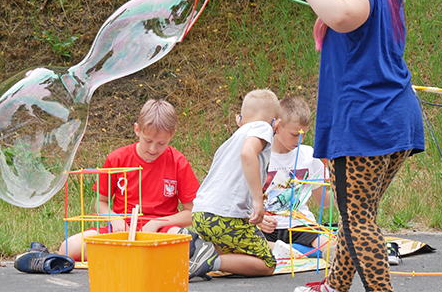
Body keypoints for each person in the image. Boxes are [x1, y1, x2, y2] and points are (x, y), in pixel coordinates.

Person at [265, 0, 425, 292]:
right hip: (390, 120)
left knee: (356, 217)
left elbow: (340, 15)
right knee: (359, 214)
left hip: (366, 123)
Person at [57, 99, 199, 261]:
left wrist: (158, 223)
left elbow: (192, 213)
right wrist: (114, 218)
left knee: (186, 247)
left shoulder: (178, 162)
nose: (153, 149)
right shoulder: (117, 158)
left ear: (172, 134)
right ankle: (132, 256)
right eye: (148, 141)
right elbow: (100, 202)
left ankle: (129, 257)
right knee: (68, 248)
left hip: (161, 232)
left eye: (161, 143)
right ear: (137, 130)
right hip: (120, 231)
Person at [188, 89, 280, 280]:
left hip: (201, 214)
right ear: (275, 123)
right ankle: (210, 261)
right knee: (267, 263)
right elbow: (248, 153)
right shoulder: (263, 128)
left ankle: (196, 249)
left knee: (237, 252)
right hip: (225, 218)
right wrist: (257, 200)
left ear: (239, 119)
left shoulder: (231, 140)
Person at [260, 96, 331, 258]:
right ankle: (288, 251)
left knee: (331, 244)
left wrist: (344, 190)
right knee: (243, 244)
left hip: (300, 225)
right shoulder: (259, 154)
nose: (300, 140)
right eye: (294, 134)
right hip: (264, 226)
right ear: (277, 127)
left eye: (304, 134)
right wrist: (255, 218)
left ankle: (288, 252)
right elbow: (241, 198)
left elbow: (323, 202)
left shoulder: (309, 156)